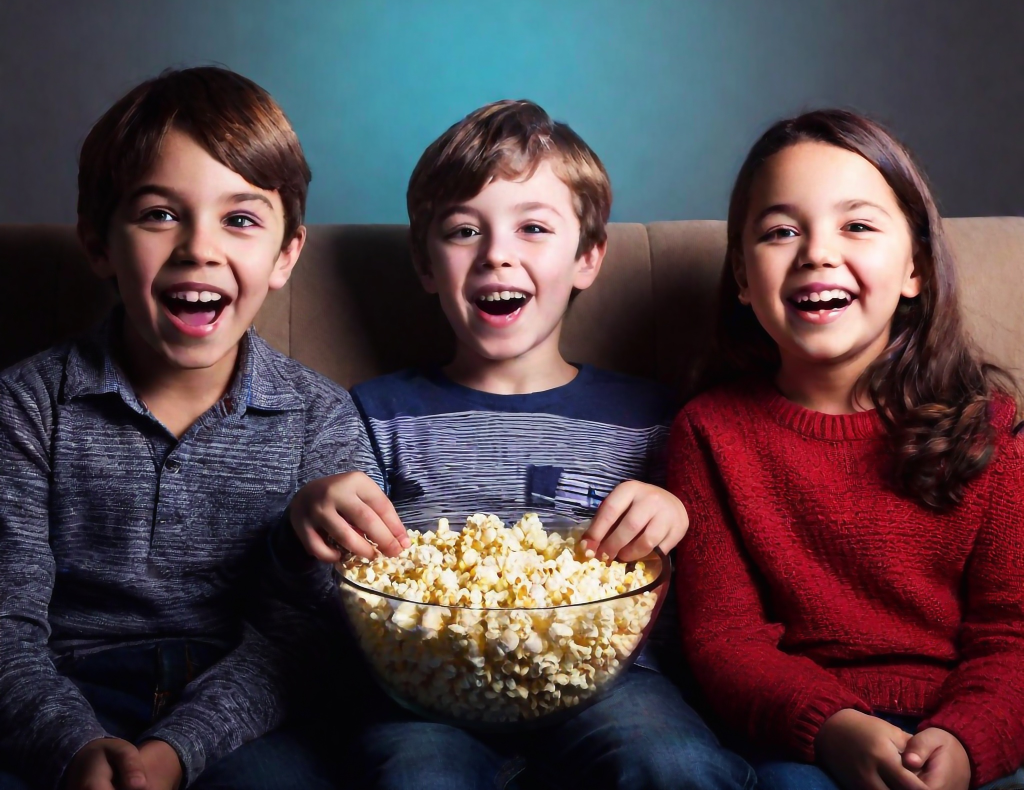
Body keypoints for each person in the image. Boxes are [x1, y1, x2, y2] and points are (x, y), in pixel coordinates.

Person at [286, 99, 755, 790]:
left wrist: (675, 516)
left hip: (612, 683)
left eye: (533, 228)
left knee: (676, 764)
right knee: (415, 777)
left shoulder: (652, 417)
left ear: (588, 257)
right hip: (425, 687)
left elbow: (710, 585)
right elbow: (336, 594)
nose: (497, 253)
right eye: (463, 231)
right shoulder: (375, 414)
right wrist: (315, 514)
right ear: (424, 264)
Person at [0, 67, 370, 790]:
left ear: (285, 255)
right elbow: (6, 629)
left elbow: (306, 641)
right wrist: (73, 747)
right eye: (160, 214)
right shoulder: (26, 407)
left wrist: (176, 751)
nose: (199, 247)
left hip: (240, 706)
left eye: (240, 218)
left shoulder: (320, 419)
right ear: (99, 242)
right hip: (64, 695)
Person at [668, 108, 1024, 790]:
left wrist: (966, 739)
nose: (817, 253)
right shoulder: (708, 434)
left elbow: (1013, 635)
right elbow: (725, 641)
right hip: (802, 738)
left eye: (856, 225)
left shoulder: (989, 433)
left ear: (915, 267)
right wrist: (832, 727)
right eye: (780, 232)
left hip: (963, 723)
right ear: (742, 277)